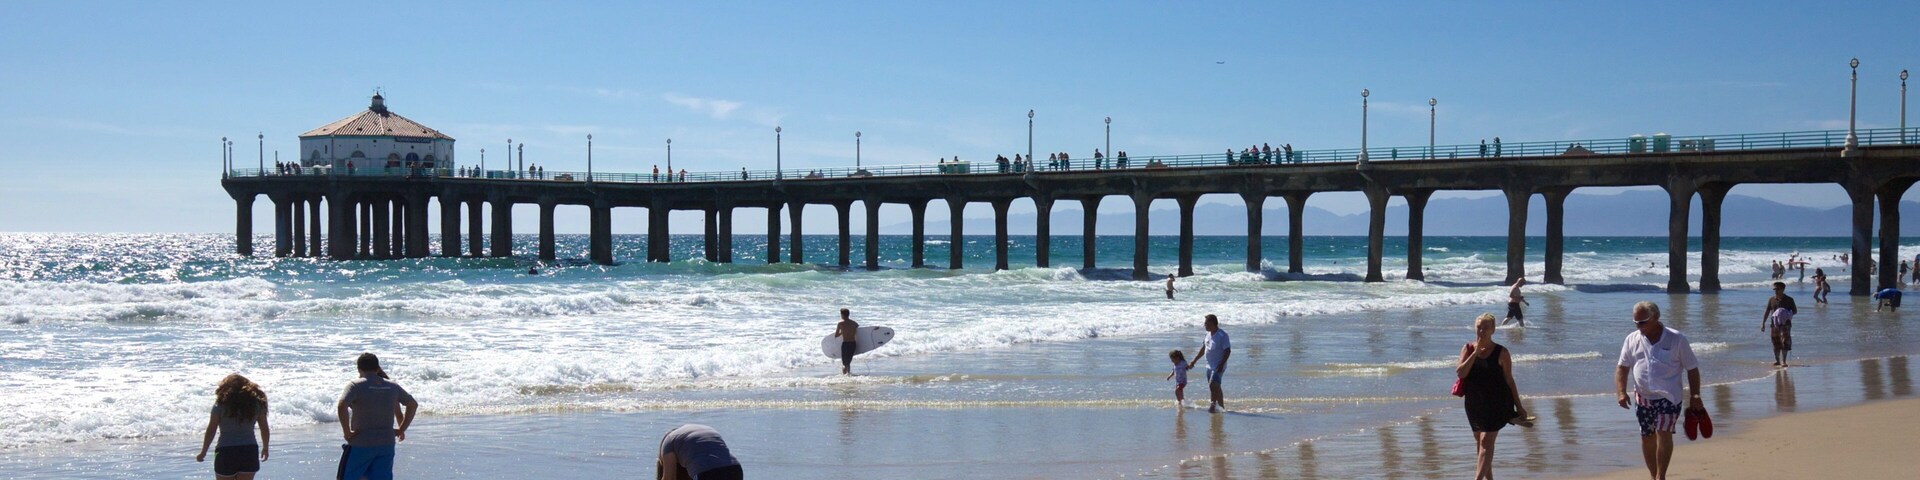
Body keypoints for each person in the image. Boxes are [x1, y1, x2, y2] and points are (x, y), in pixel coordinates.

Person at [1615, 301, 1703, 480]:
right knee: (1647, 437)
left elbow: (1692, 368)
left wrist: (1695, 395)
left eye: (1643, 322)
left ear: (1655, 317)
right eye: (1636, 323)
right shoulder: (1632, 339)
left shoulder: (1677, 339)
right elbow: (1622, 367)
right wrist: (1621, 392)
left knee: (1663, 432)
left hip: (1668, 397)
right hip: (1642, 397)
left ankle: (1661, 476)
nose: (1639, 327)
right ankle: (1653, 475)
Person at [1456, 313, 1531, 480]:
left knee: (1486, 442)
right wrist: (1475, 353)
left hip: (1497, 402)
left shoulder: (1501, 352)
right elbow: (1461, 373)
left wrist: (1519, 406)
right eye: (1479, 327)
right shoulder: (1467, 349)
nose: (1481, 331)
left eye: (1486, 328)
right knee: (1480, 443)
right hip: (1474, 403)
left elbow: (1509, 380)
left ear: (1493, 330)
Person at [337, 353, 418, 480]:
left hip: (361, 443)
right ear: (377, 368)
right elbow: (412, 404)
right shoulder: (392, 386)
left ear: (359, 369)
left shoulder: (355, 385)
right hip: (386, 444)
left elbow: (342, 405)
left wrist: (347, 431)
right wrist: (402, 429)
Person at [196, 374, 270, 480]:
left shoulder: (220, 405)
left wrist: (203, 452)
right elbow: (264, 428)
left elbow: (212, 429)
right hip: (249, 450)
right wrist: (265, 448)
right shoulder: (256, 405)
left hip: (226, 451)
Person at [657, 424, 742, 480]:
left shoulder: (668, 441)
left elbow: (669, 478)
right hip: (734, 469)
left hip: (708, 473)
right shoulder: (702, 430)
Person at [1187, 314, 1231, 413]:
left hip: (1219, 365)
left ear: (1212, 323)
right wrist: (1194, 361)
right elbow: (1203, 349)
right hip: (1209, 365)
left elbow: (1227, 351)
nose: (1204, 325)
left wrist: (1221, 364)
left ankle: (1215, 406)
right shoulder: (1207, 334)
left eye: (1206, 323)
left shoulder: (1222, 335)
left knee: (1213, 384)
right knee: (1214, 386)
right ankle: (1219, 406)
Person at [1762, 282, 1797, 367]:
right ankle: (1777, 360)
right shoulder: (1771, 299)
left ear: (1783, 289)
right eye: (1774, 289)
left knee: (1785, 341)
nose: (1775, 291)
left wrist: (1785, 314)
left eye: (1777, 289)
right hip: (1774, 324)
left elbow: (1795, 311)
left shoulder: (1789, 299)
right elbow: (1767, 311)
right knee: (1776, 342)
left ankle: (1784, 361)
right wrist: (1763, 323)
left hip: (1785, 324)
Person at [833, 308, 859, 375]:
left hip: (845, 344)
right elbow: (859, 332)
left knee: (844, 363)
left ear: (842, 315)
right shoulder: (855, 323)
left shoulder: (840, 324)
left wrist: (842, 332)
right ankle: (848, 374)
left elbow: (836, 335)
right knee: (848, 362)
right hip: (853, 344)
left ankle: (844, 375)